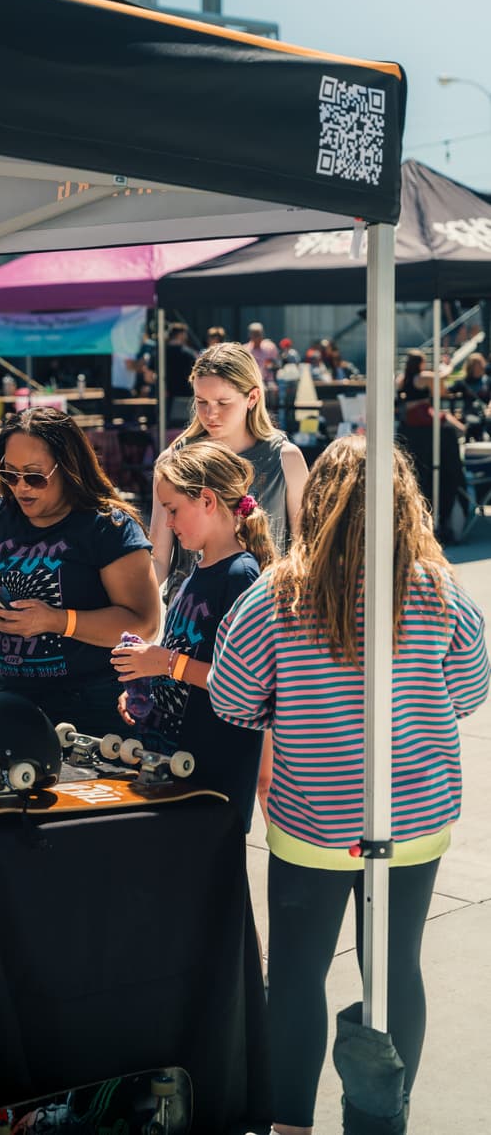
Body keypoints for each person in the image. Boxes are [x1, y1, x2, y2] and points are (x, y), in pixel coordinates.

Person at [208, 436, 490, 1135]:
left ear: (320, 500)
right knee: (394, 971)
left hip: (313, 823)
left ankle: (289, 1126)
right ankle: (378, 1117)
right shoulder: (436, 585)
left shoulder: (277, 591)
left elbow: (232, 699)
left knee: (298, 974)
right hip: (413, 820)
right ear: (403, 503)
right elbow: (470, 687)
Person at [149, 342, 309, 825]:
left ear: (253, 397)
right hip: (192, 627)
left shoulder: (286, 458)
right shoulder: (175, 456)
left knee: (270, 778)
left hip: (269, 632)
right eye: (200, 402)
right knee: (198, 774)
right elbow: (157, 555)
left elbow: (304, 554)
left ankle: (283, 865)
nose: (210, 414)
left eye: (223, 402)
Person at [0, 407, 160, 735]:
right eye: (9, 474)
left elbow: (144, 623)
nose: (21, 488)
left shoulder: (107, 527)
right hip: (12, 704)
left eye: (34, 476)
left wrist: (56, 621)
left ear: (68, 469)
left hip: (92, 713)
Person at [111, 439, 277, 831]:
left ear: (206, 500)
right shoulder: (196, 571)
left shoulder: (240, 576)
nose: (167, 523)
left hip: (214, 775)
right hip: (173, 761)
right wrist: (145, 677)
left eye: (172, 510)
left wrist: (164, 663)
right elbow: (182, 653)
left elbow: (243, 684)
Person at [395, 348, 464, 434]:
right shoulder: (422, 376)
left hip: (408, 415)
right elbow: (441, 376)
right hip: (421, 413)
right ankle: (466, 433)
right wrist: (450, 366)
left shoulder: (402, 377)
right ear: (419, 363)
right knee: (448, 419)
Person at [449, 352, 491, 441]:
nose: (480, 367)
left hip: (486, 411)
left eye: (480, 364)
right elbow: (447, 391)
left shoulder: (487, 380)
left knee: (488, 421)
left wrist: (489, 409)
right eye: (476, 365)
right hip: (470, 412)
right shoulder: (463, 382)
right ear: (471, 367)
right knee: (474, 423)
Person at [165, 322, 198, 398]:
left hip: (166, 397)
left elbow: (148, 376)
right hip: (185, 395)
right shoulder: (190, 354)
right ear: (181, 334)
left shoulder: (160, 353)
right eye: (185, 334)